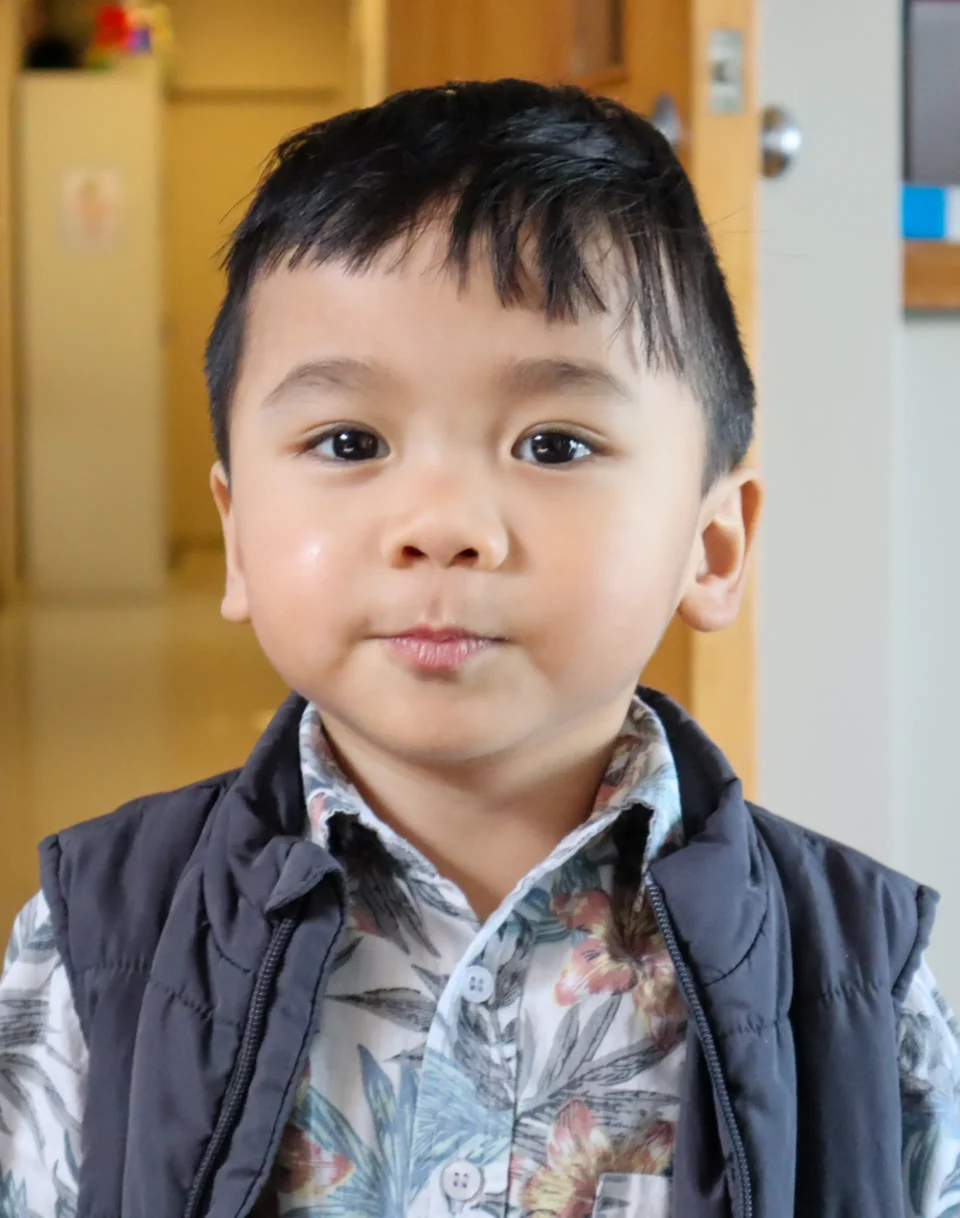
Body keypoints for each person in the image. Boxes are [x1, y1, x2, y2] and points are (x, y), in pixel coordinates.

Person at [0, 80, 957, 1218]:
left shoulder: (856, 977)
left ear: (711, 546)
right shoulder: (102, 941)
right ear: (239, 535)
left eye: (554, 444)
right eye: (348, 440)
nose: (443, 523)